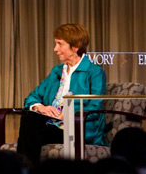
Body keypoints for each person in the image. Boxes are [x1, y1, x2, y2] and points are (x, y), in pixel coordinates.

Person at [17, 23, 106, 165]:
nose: (55, 49)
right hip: (51, 125)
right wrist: (40, 107)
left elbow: (95, 107)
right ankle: (28, 173)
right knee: (29, 119)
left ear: (76, 46)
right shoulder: (57, 71)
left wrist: (67, 114)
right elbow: (33, 96)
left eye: (59, 44)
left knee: (28, 131)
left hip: (77, 128)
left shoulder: (94, 72)